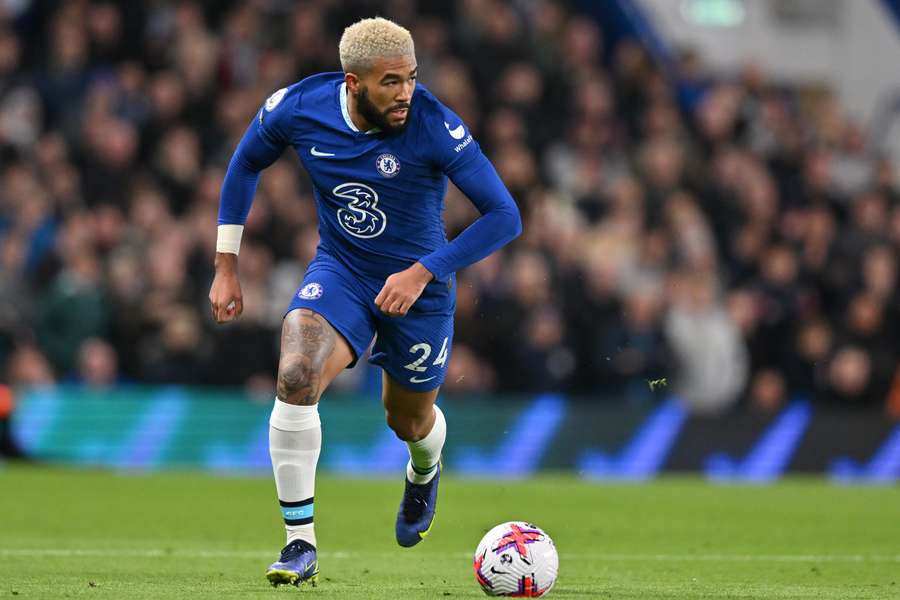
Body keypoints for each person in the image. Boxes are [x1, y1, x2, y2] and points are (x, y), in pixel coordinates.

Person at [208, 17, 521, 588]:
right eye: (391, 83)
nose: (406, 93)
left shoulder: (434, 124)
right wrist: (226, 265)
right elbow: (245, 163)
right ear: (353, 83)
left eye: (411, 78)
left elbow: (505, 216)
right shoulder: (298, 107)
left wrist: (426, 270)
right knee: (297, 372)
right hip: (343, 272)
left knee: (407, 419)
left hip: (420, 292)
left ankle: (424, 470)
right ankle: (299, 543)